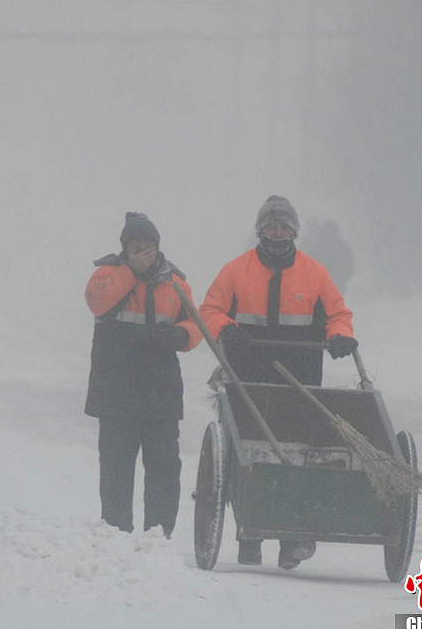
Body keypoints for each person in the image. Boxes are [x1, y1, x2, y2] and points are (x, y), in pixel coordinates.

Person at [198, 195, 357, 569]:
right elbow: (210, 310)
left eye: (285, 226)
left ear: (295, 231)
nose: (278, 232)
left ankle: (293, 538)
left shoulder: (315, 273)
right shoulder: (236, 271)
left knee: (299, 451)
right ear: (260, 230)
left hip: (299, 378)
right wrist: (227, 329)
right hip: (247, 375)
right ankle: (248, 534)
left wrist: (340, 335)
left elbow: (338, 313)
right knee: (248, 452)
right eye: (272, 226)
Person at [84, 212, 202, 538]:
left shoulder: (176, 283)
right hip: (115, 390)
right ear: (124, 248)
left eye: (147, 245)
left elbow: (196, 323)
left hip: (160, 392)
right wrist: (129, 273)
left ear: (158, 246)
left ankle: (158, 536)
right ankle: (115, 533)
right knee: (116, 469)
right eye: (135, 246)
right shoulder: (106, 275)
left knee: (164, 469)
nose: (142, 252)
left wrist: (181, 335)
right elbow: (98, 303)